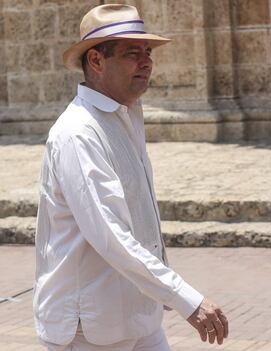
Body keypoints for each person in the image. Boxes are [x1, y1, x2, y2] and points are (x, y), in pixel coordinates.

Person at [33, 4, 228, 350]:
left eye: (148, 52)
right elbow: (111, 235)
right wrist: (187, 299)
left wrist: (165, 295)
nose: (146, 62)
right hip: (89, 329)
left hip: (137, 315)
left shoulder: (125, 116)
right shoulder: (79, 133)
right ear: (96, 61)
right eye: (132, 53)